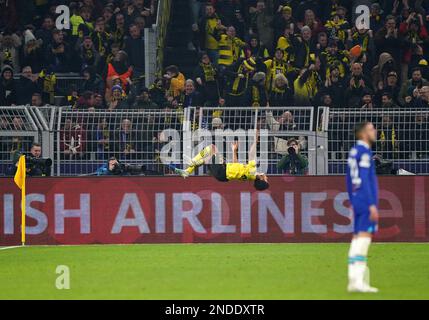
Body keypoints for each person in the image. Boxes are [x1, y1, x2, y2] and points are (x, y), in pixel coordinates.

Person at [346, 121, 379, 293]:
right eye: (371, 128)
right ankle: (358, 281)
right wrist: (372, 204)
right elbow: (365, 179)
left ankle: (353, 280)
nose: (375, 131)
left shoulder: (353, 152)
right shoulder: (365, 152)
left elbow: (348, 180)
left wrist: (352, 201)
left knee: (357, 238)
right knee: (364, 240)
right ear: (363, 133)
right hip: (365, 199)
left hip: (357, 198)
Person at [172, 137, 269, 191]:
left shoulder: (252, 171)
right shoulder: (250, 175)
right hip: (222, 173)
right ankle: (188, 171)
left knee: (212, 148)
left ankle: (192, 163)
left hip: (222, 171)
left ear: (261, 179)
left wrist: (255, 140)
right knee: (208, 157)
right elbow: (236, 164)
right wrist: (234, 151)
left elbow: (251, 154)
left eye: (266, 179)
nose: (266, 177)